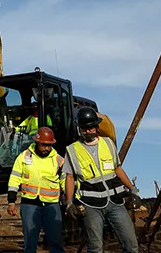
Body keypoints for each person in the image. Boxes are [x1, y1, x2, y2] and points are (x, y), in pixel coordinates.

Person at [63, 107, 139, 253]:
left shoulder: (108, 143)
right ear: (80, 129)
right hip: (90, 205)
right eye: (84, 128)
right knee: (96, 248)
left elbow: (118, 169)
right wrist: (69, 202)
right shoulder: (72, 150)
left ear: (97, 127)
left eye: (91, 128)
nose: (88, 131)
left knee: (131, 244)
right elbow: (70, 177)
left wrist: (133, 189)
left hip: (115, 202)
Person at [7, 127, 64, 253]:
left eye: (49, 145)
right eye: (44, 145)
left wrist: (70, 201)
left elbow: (66, 181)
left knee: (56, 241)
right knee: (30, 242)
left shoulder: (58, 160)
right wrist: (11, 201)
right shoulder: (23, 157)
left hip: (51, 205)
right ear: (37, 142)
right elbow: (14, 179)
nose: (46, 148)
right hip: (29, 204)